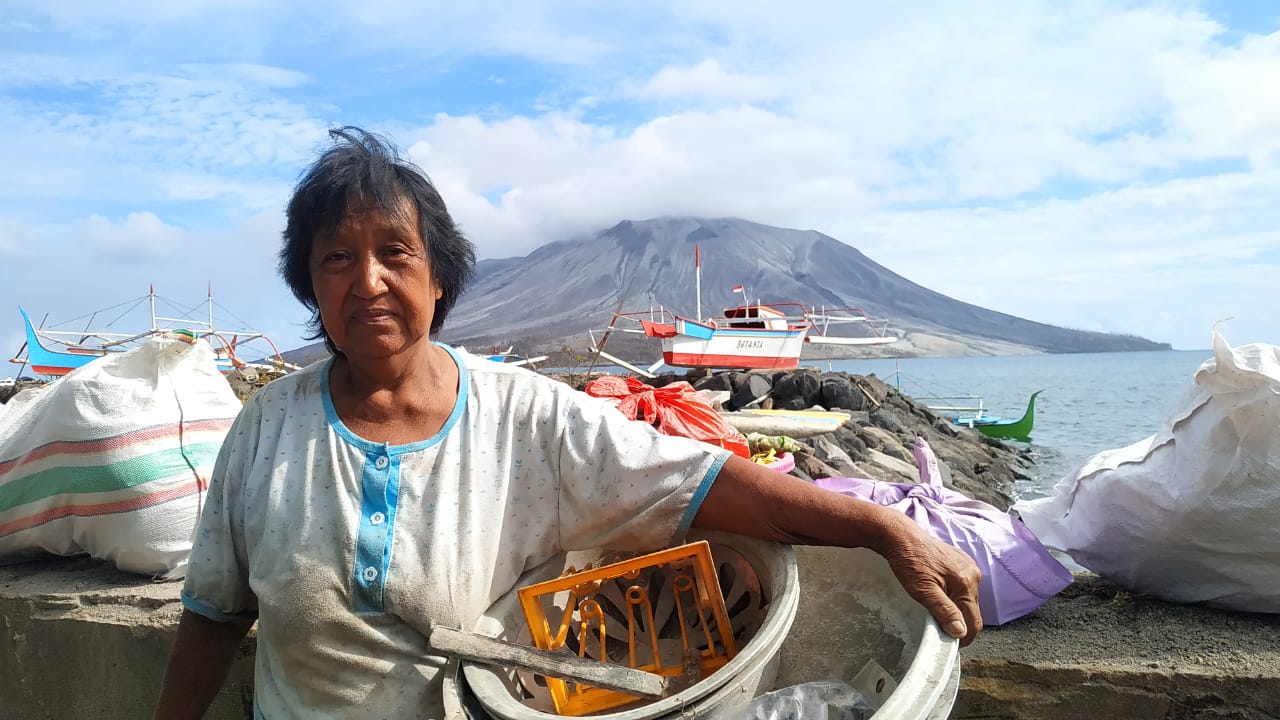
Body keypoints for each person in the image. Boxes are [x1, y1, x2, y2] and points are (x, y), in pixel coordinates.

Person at [155, 127, 981, 719]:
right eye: (337, 257)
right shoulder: (266, 429)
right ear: (309, 285)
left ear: (440, 276)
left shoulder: (526, 416)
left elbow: (700, 485)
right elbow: (214, 612)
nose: (367, 280)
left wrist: (881, 528)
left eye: (395, 253)